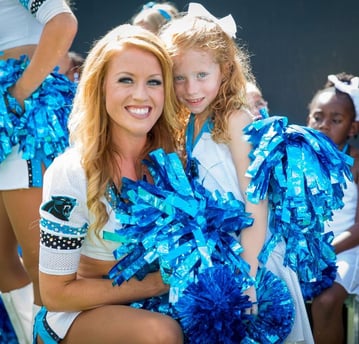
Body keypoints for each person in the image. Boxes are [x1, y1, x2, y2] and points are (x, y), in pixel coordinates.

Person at [159, 3, 314, 342]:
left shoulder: (234, 119)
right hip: (216, 264)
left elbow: (256, 203)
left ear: (226, 69)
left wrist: (248, 276)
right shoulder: (189, 121)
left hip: (253, 263)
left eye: (202, 76)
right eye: (179, 78)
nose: (190, 89)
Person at [33, 23, 184, 344]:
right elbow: (55, 294)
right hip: (79, 315)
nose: (141, 95)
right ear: (99, 87)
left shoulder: (175, 161)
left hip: (158, 306)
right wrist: (158, 284)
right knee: (160, 334)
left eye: (154, 82)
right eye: (125, 80)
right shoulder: (72, 172)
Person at [0, 1, 77, 343]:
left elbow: (62, 21)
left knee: (42, 258)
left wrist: (16, 96)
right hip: (7, 121)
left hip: (25, 124)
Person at [307, 72, 359, 344]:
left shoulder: (357, 164)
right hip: (307, 251)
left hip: (346, 251)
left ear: (353, 128)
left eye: (336, 120)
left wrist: (326, 250)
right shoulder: (298, 163)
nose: (324, 125)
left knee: (325, 302)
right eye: (318, 117)